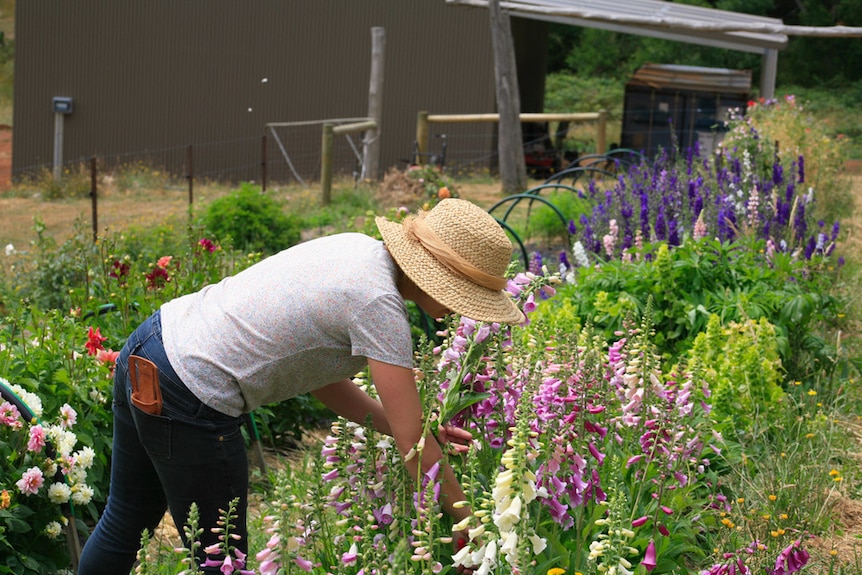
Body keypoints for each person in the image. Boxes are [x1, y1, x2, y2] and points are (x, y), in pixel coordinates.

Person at [77, 197, 525, 574]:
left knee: (126, 517)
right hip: (193, 391)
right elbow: (412, 442)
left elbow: (321, 379)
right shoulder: (379, 306)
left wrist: (419, 435)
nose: (462, 310)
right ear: (439, 277)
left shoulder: (359, 251)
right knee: (222, 560)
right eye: (463, 294)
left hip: (152, 343)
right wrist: (468, 522)